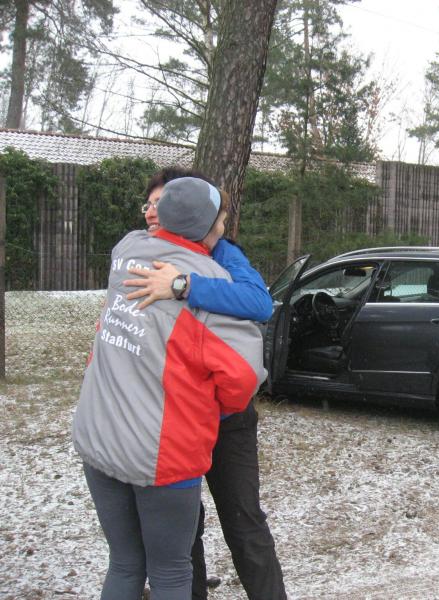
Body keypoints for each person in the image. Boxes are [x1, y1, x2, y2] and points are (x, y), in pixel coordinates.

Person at [73, 176, 267, 600]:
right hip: (161, 453)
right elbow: (242, 376)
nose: (224, 226)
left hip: (100, 437)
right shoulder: (211, 277)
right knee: (171, 572)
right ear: (208, 226)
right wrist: (210, 409)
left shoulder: (127, 250)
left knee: (125, 563)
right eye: (221, 219)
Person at [123, 167, 287, 600]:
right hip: (172, 419)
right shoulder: (138, 255)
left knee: (244, 521)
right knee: (183, 528)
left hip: (226, 419)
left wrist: (183, 285)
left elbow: (259, 303)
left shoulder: (221, 252)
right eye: (150, 205)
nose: (154, 212)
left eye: (163, 204)